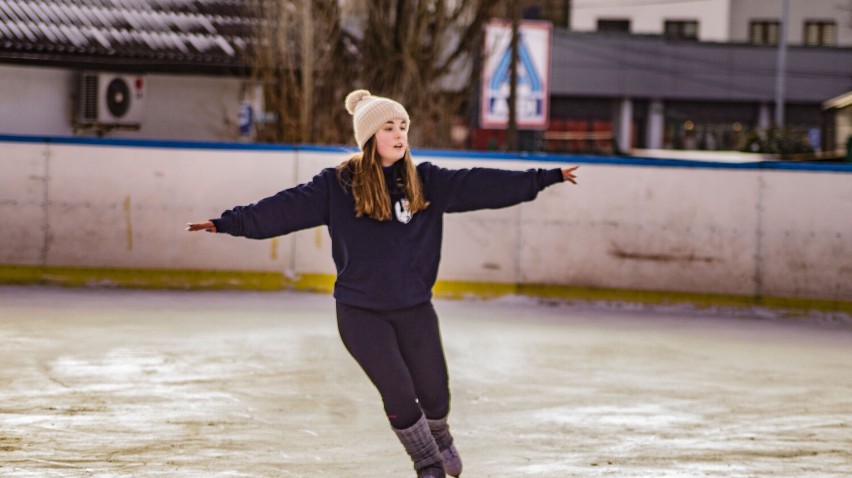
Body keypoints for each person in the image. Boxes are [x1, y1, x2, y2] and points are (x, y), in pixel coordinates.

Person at [187, 89, 579, 477]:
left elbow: (481, 184)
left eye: (403, 126)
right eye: (389, 127)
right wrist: (228, 222)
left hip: (414, 308)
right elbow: (281, 209)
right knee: (399, 395)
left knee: (436, 396)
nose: (399, 134)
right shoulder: (337, 185)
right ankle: (427, 465)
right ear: (369, 137)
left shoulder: (425, 182)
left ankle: (440, 439)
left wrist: (544, 178)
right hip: (360, 313)